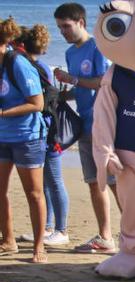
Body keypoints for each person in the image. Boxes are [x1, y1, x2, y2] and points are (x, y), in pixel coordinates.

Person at [53, 2, 116, 254]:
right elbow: (80, 89)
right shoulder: (71, 53)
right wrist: (60, 95)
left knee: (114, 182)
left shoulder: (98, 48)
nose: (63, 32)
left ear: (81, 22)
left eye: (66, 26)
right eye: (59, 28)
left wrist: (74, 79)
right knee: (93, 182)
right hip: (84, 124)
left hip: (104, 123)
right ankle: (105, 237)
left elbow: (104, 83)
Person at [16, 24, 69, 247]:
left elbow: (40, 102)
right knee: (44, 182)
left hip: (47, 131)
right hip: (44, 129)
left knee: (54, 180)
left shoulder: (34, 68)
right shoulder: (38, 66)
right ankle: (47, 226)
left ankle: (61, 229)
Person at [0, 17, 48, 263]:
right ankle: (8, 240)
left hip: (27, 136)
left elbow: (37, 104)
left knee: (34, 193)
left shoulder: (17, 63)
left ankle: (39, 246)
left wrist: (2, 113)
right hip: (2, 137)